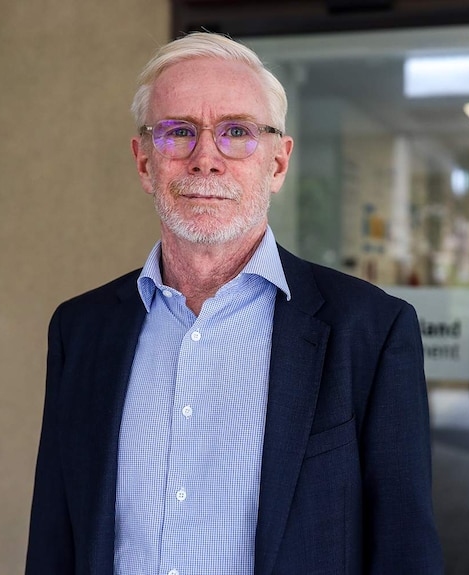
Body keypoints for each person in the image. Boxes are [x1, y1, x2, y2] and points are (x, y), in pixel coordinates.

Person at [25, 32, 443, 575]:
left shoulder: (370, 331)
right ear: (144, 162)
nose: (205, 160)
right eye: (178, 132)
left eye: (237, 133)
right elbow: (54, 540)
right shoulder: (80, 331)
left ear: (277, 162)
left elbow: (404, 551)